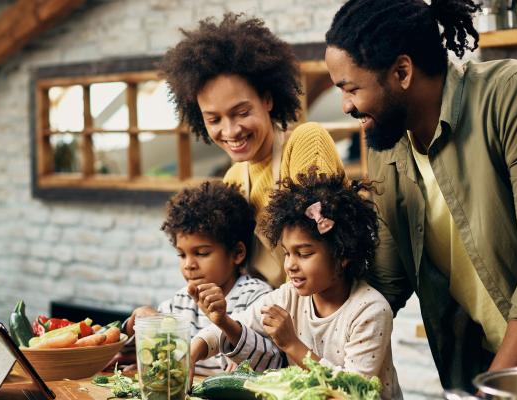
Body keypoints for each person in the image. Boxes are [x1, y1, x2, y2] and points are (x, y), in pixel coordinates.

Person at [324, 0, 517, 391]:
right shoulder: (388, 145)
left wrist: (491, 391)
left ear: (402, 72)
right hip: (497, 368)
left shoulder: (516, 94)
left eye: (351, 88)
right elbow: (386, 283)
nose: (345, 106)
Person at [160, 13, 344, 287]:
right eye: (214, 119)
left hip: (323, 317)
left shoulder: (306, 141)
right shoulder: (234, 178)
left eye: (242, 112)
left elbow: (320, 246)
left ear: (267, 99)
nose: (231, 130)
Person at [190, 169, 402, 399]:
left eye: (304, 253)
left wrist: (292, 344)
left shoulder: (369, 310)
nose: (290, 265)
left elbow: (353, 392)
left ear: (342, 254)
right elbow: (236, 324)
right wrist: (191, 355)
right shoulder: (289, 296)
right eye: (286, 253)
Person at [121, 181, 273, 375]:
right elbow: (128, 353)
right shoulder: (181, 301)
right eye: (182, 255)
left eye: (201, 253)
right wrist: (134, 324)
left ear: (237, 253)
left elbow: (270, 358)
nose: (189, 265)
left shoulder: (256, 297)